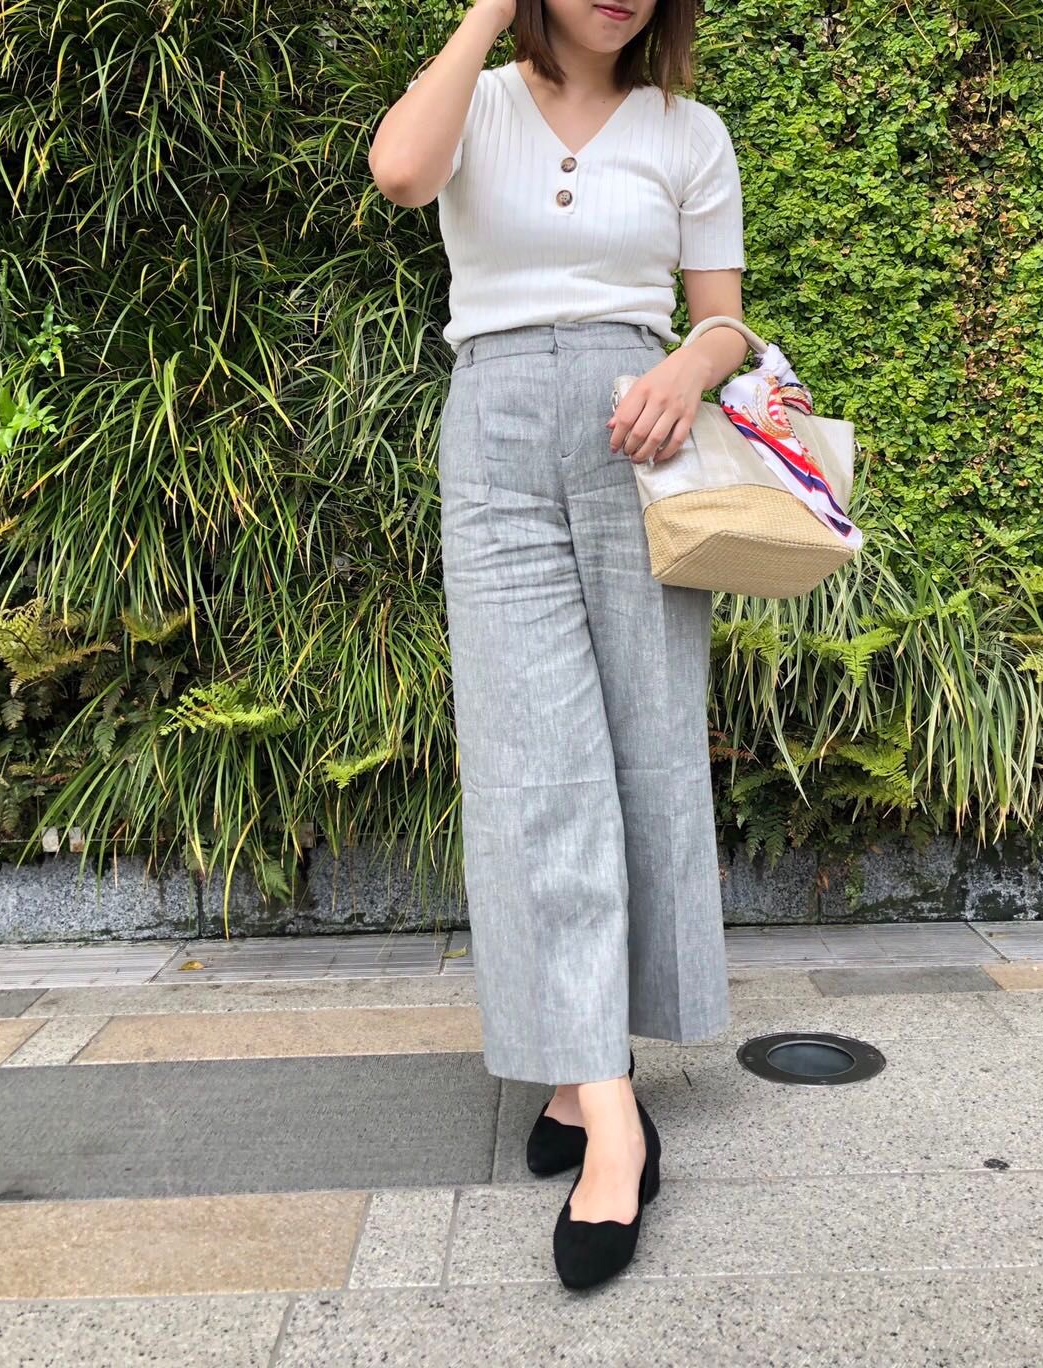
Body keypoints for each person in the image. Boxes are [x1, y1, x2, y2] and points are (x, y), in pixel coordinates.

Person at [369, 0, 749, 1290]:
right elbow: (399, 173)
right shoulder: (474, 103)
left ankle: (587, 1081)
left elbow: (724, 317)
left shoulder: (689, 131)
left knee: (646, 755)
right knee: (536, 771)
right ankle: (614, 1118)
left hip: (642, 438)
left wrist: (688, 371)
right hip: (494, 440)